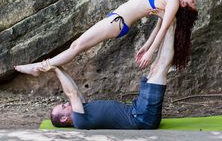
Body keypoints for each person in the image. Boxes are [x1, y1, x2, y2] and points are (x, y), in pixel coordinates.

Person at [15, 0, 198, 76]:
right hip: (115, 19)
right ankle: (41, 67)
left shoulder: (173, 2)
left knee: (76, 46)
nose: (194, 0)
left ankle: (39, 67)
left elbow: (165, 28)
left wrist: (151, 52)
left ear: (183, 5)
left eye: (193, 5)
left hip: (117, 23)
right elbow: (158, 25)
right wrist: (146, 45)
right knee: (76, 46)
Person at [41, 20, 176, 129]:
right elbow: (72, 94)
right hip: (142, 118)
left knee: (154, 68)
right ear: (64, 118)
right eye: (64, 107)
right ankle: (172, 23)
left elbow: (74, 89)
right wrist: (55, 70)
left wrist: (58, 67)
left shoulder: (82, 111)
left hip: (138, 111)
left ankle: (166, 22)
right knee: (160, 68)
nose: (66, 103)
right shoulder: (79, 121)